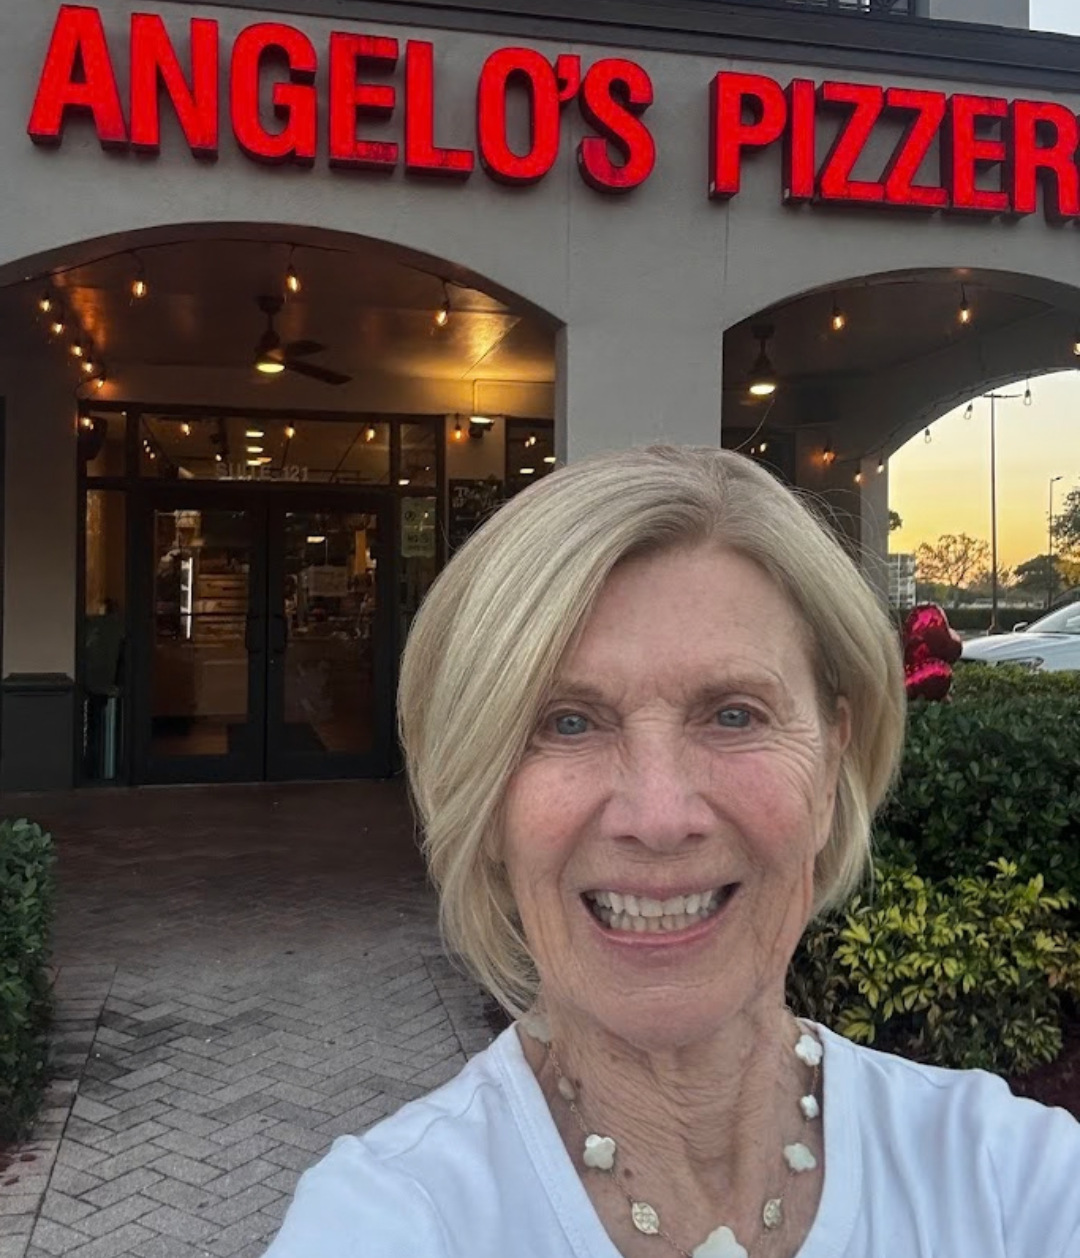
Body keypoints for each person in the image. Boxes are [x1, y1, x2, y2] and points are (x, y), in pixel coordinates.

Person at [263, 446, 1080, 1258]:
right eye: (567, 723)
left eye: (734, 715)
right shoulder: (389, 1219)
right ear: (483, 798)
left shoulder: (1010, 1182)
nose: (658, 818)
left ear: (831, 764)